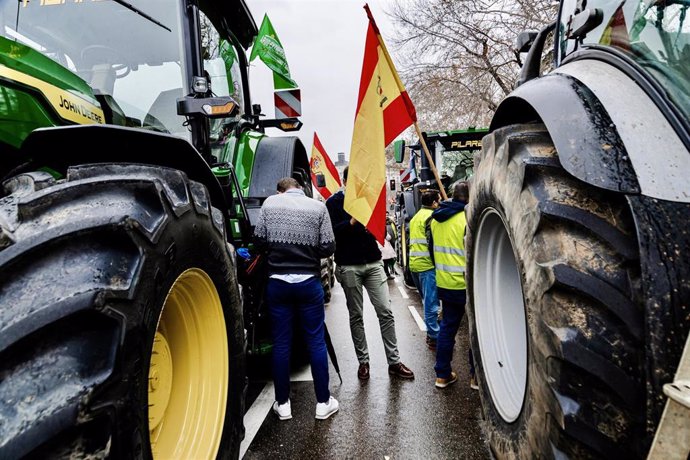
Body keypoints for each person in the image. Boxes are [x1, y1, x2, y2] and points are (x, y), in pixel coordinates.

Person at [254, 177, 339, 420]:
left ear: (280, 190)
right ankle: (323, 403)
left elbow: (259, 242)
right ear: (300, 188)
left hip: (278, 284)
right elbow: (328, 247)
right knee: (315, 342)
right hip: (308, 284)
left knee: (281, 344)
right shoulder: (318, 207)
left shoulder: (270, 204)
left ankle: (283, 405)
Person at [326, 166, 414, 381]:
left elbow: (380, 228)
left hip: (373, 262)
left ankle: (394, 362)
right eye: (354, 181)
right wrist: (352, 222)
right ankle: (363, 362)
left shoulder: (369, 199)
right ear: (344, 181)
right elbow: (332, 232)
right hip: (349, 265)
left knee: (385, 311)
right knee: (356, 316)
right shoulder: (334, 203)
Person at [429, 180, 475, 389]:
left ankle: (442, 375)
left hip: (445, 282)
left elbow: (432, 251)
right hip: (467, 284)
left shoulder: (435, 219)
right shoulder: (468, 218)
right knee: (475, 330)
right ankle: (476, 377)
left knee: (447, 328)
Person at [408, 189, 441, 351]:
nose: (440, 203)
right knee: (431, 304)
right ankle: (434, 337)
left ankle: (432, 332)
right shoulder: (430, 218)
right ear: (434, 203)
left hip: (414, 264)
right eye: (439, 200)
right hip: (427, 266)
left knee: (426, 301)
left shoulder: (416, 217)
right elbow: (432, 244)